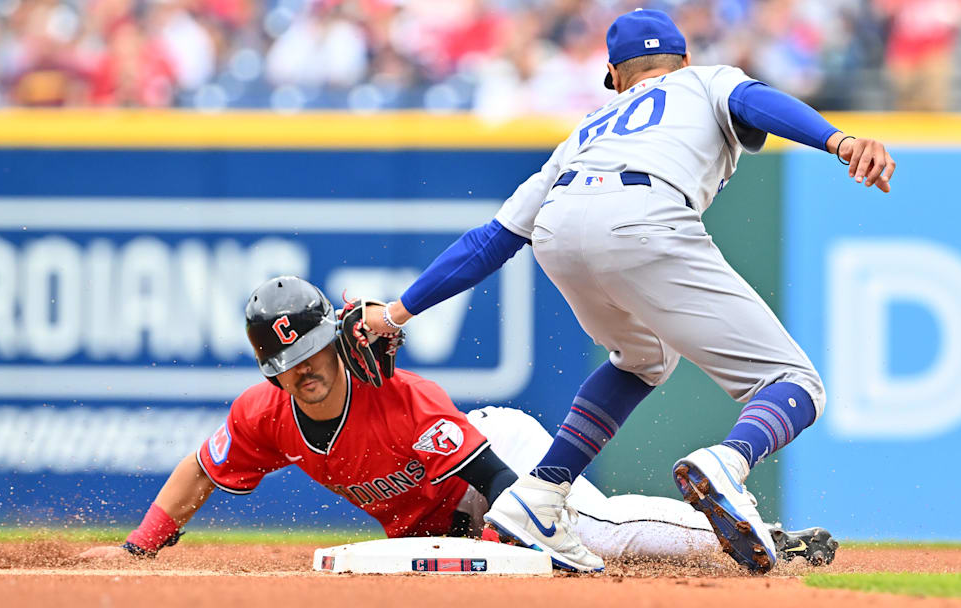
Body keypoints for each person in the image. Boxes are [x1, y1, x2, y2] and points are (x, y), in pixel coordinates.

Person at [362, 9, 895, 574]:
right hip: (645, 217)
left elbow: (491, 240)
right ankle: (728, 462)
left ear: (614, 74)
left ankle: (541, 494)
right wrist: (839, 140)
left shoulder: (590, 125)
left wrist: (396, 312)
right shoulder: (706, 79)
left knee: (643, 358)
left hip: (559, 229)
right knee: (796, 384)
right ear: (683, 60)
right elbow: (756, 102)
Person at [79, 276, 838, 567]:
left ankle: (763, 539)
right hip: (437, 514)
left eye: (313, 351)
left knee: (589, 529)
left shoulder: (403, 400)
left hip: (491, 456)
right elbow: (200, 471)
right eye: (285, 363)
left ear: (338, 344)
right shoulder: (262, 416)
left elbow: (507, 491)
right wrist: (139, 547)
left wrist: (512, 534)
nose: (301, 370)